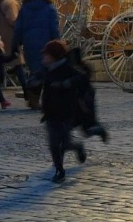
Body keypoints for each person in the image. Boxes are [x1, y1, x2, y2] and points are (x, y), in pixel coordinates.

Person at [37, 40, 92, 182]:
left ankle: (77, 147)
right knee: (53, 143)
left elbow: (83, 78)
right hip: (50, 112)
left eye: (47, 55)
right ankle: (59, 170)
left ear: (55, 56)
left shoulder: (67, 68)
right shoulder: (46, 69)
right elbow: (37, 79)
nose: (44, 58)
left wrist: (67, 84)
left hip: (66, 111)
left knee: (64, 143)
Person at [11, 0, 60, 110]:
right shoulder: (50, 7)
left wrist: (16, 43)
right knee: (46, 73)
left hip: (29, 45)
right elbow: (54, 27)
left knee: (34, 71)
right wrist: (58, 41)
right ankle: (39, 99)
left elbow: (18, 27)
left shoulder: (24, 8)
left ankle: (33, 99)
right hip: (46, 45)